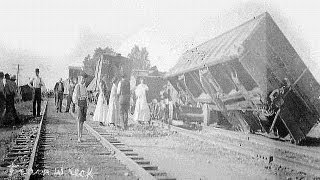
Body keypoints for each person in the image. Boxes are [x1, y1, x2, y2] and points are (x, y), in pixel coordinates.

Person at [72, 72, 88, 142]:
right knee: (79, 121)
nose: (83, 80)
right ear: (79, 78)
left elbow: (86, 96)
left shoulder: (84, 86)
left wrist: (87, 105)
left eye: (84, 79)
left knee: (82, 121)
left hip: (84, 103)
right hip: (80, 103)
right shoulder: (78, 86)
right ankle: (79, 137)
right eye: (82, 78)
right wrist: (77, 104)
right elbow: (76, 96)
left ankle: (81, 136)